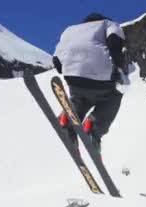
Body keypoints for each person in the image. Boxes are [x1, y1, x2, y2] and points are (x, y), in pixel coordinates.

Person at [52, 12, 128, 152]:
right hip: (100, 76)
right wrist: (118, 66)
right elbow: (114, 41)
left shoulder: (69, 30)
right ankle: (93, 128)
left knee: (79, 100)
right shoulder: (108, 24)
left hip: (73, 77)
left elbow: (56, 61)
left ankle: (66, 121)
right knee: (112, 97)